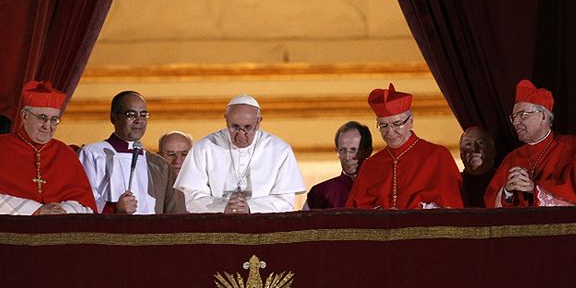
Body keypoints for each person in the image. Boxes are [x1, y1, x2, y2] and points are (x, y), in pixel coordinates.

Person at [175, 94, 305, 213]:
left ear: (258, 122)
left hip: (262, 227)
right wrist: (222, 207)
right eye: (235, 127)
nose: (241, 134)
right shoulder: (204, 148)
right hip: (216, 225)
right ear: (226, 120)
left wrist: (250, 207)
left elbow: (285, 201)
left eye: (247, 127)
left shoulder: (280, 150)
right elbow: (193, 198)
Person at [0, 81, 96, 214]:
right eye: (42, 118)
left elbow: (85, 204)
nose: (47, 126)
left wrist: (63, 211)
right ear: (25, 116)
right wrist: (37, 210)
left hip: (59, 229)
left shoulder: (65, 153)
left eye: (54, 119)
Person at [346, 83, 463, 209]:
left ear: (411, 121)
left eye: (397, 124)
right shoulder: (370, 165)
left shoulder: (437, 155)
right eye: (383, 126)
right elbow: (354, 213)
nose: (390, 133)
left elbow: (449, 206)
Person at [78, 91, 185, 214]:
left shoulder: (160, 165)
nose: (138, 120)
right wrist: (114, 209)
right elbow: (83, 203)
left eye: (143, 115)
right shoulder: (92, 154)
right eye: (131, 114)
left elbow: (175, 212)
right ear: (114, 118)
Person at [485, 79, 576, 207]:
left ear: (543, 117)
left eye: (522, 115)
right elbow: (491, 204)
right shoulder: (511, 159)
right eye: (513, 117)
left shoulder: (572, 147)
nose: (515, 122)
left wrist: (534, 188)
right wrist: (508, 191)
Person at [305, 121, 372, 209]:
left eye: (353, 150)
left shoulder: (381, 189)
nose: (347, 157)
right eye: (342, 150)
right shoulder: (320, 193)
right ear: (337, 152)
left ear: (368, 151)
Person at [459, 126, 496, 207]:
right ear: (461, 155)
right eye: (468, 144)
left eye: (481, 143)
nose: (474, 149)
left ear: (493, 150)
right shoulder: (454, 185)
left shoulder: (504, 181)